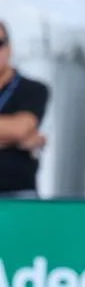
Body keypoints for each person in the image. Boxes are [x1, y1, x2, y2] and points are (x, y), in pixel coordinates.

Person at [0, 20, 50, 198]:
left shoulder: (33, 89)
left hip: (18, 192)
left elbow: (21, 129)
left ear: (10, 46)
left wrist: (18, 135)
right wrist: (13, 139)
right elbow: (20, 132)